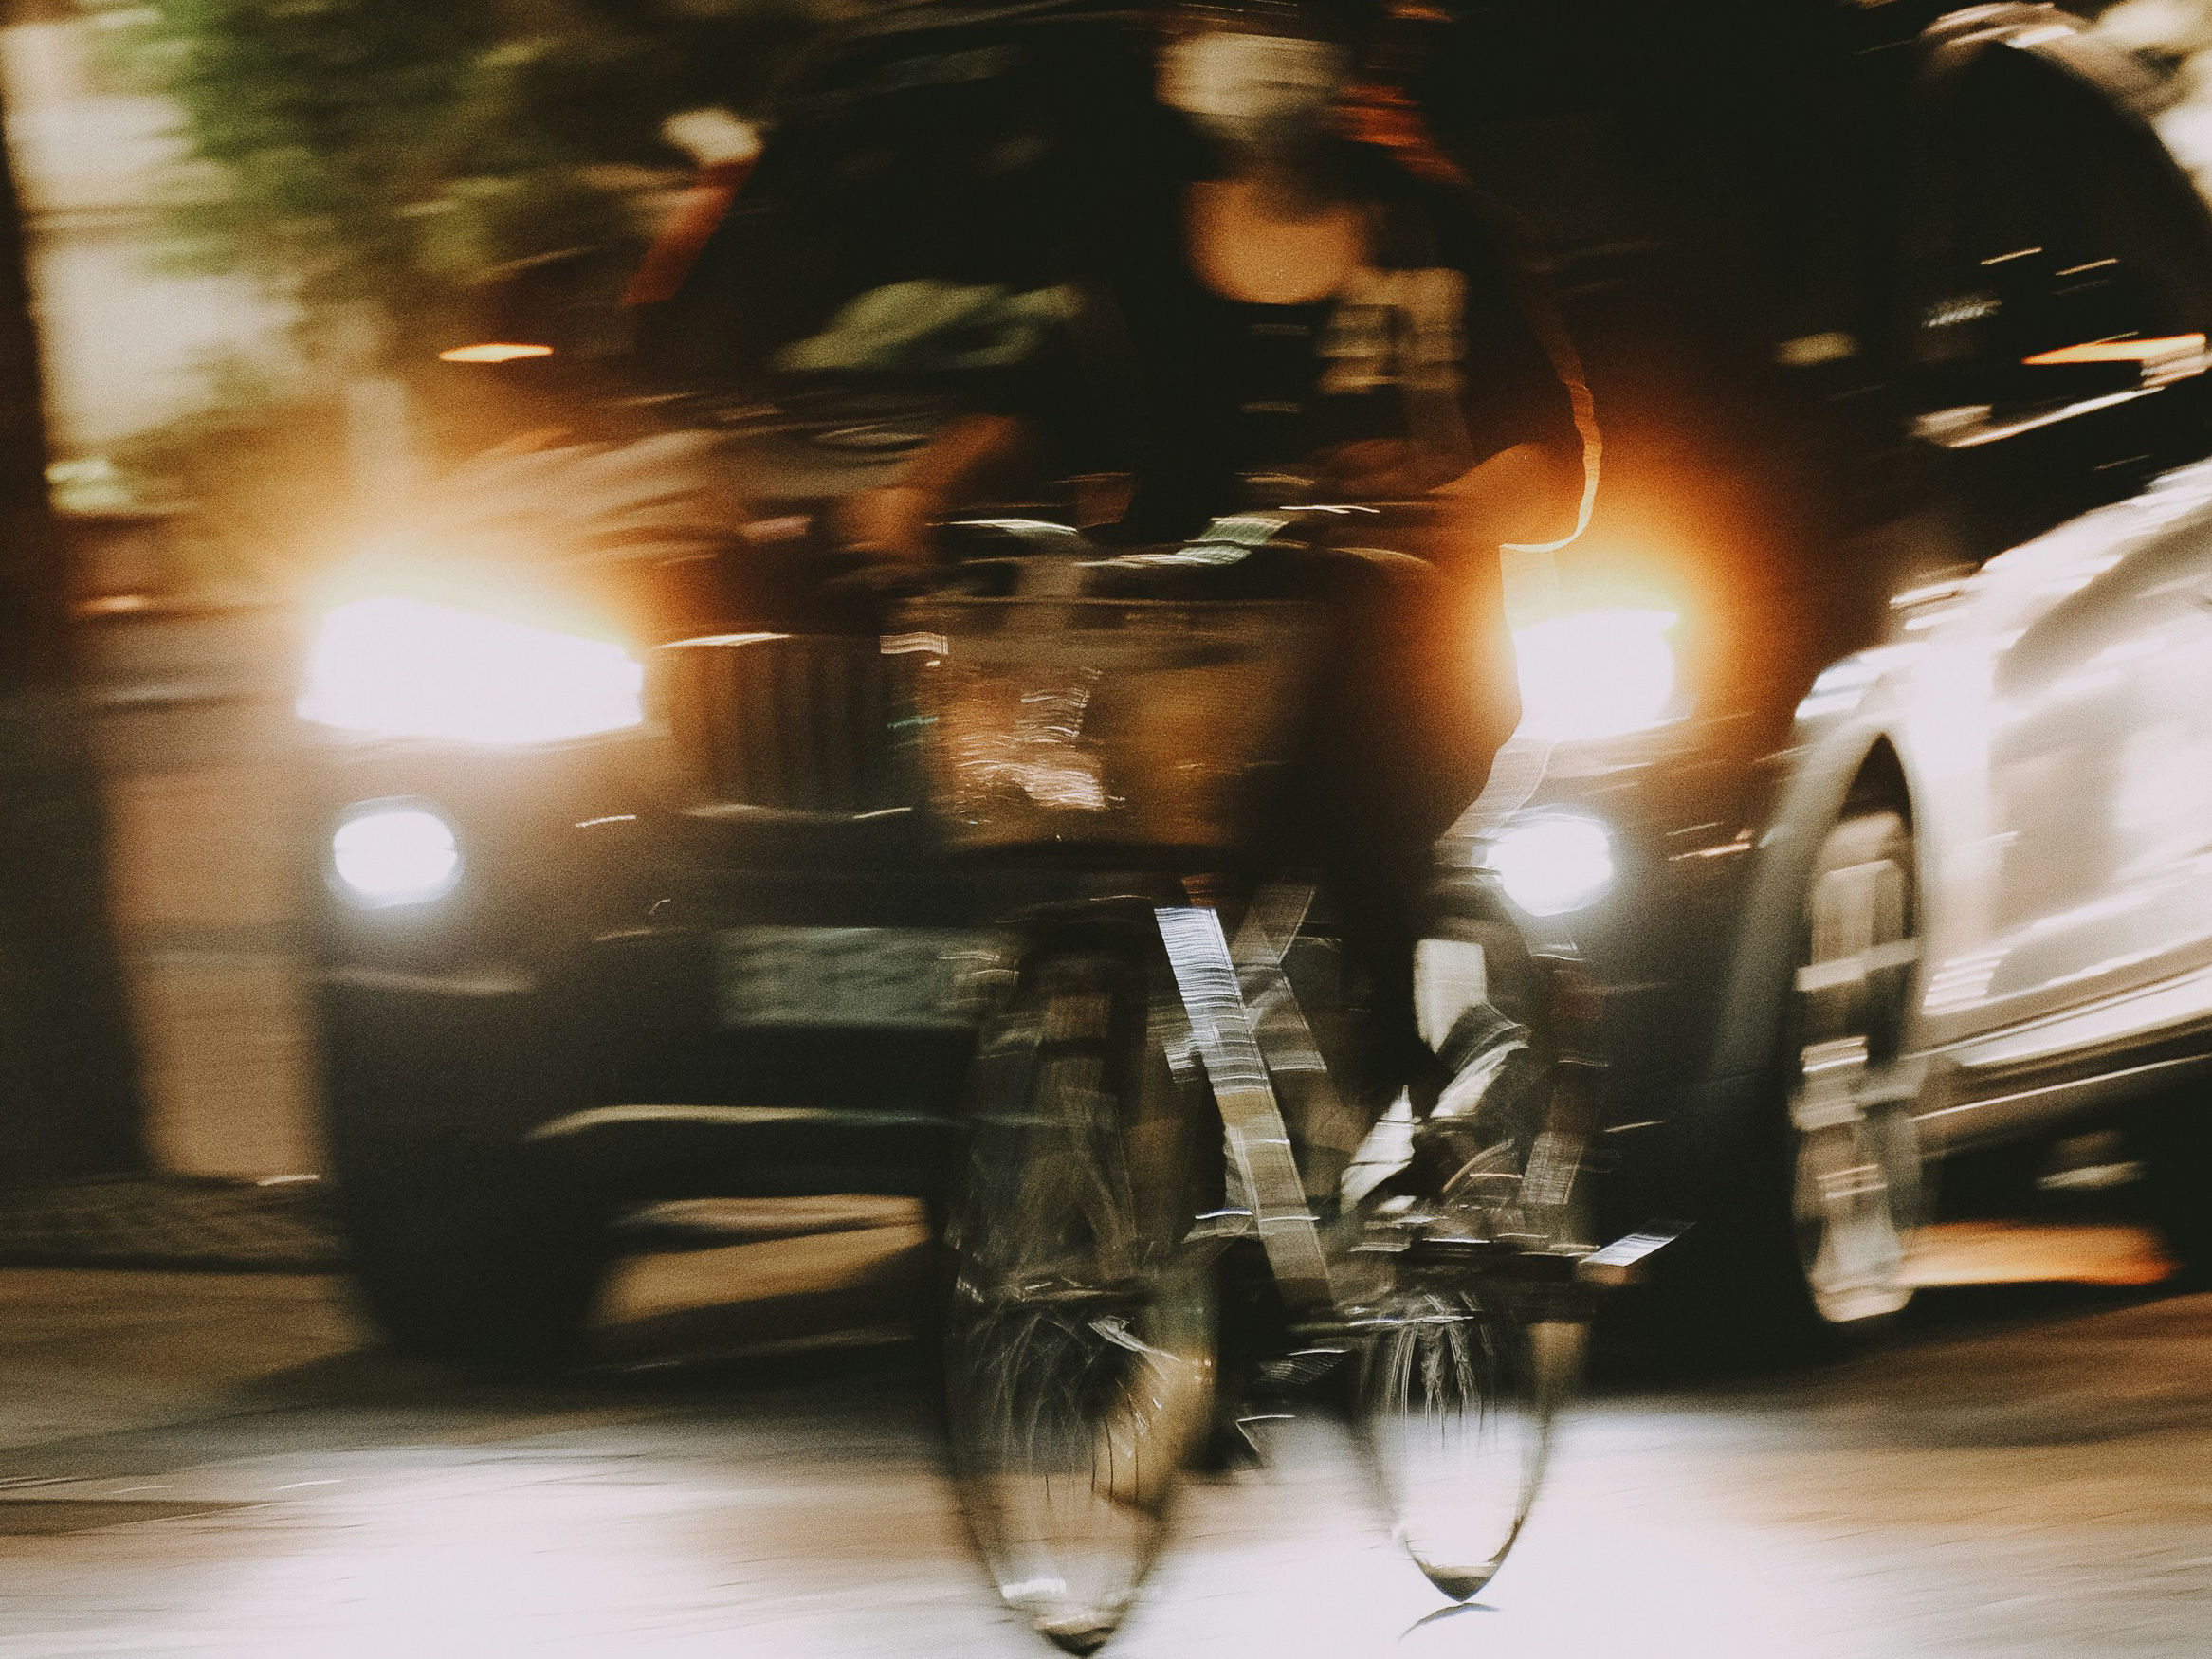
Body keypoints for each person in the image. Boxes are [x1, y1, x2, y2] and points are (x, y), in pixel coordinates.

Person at [844, 0, 1594, 1115]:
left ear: (1349, 53)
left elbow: (1549, 469)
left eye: (1288, 19)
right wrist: (921, 488)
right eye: (1226, 16)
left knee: (1358, 862)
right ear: (1174, 48)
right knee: (1159, 920)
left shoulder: (1436, 240)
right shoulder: (1131, 242)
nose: (1257, 47)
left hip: (1398, 680)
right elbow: (1039, 401)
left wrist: (1432, 504)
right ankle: (1191, 1167)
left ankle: (1398, 1095)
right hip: (1175, 688)